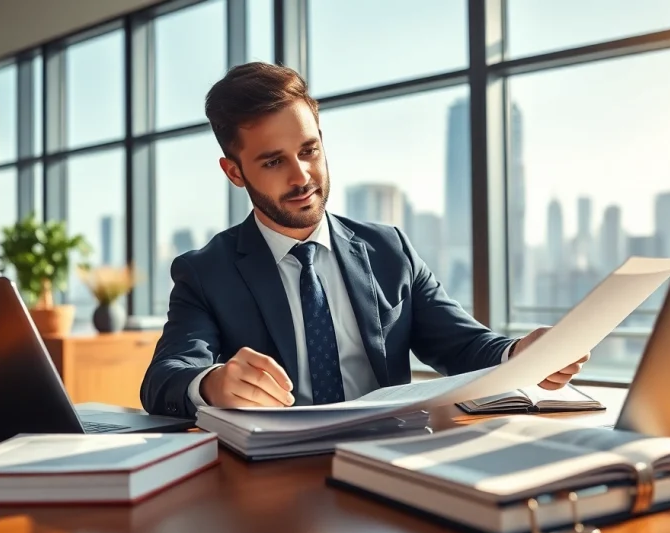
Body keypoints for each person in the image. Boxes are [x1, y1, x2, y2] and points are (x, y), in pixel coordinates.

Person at [140, 62, 588, 418]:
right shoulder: (206, 272)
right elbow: (164, 378)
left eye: (309, 150)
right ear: (234, 172)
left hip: (386, 457)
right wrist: (213, 383)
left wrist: (522, 353)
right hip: (275, 475)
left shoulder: (389, 249)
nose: (302, 176)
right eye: (274, 162)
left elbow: (463, 345)